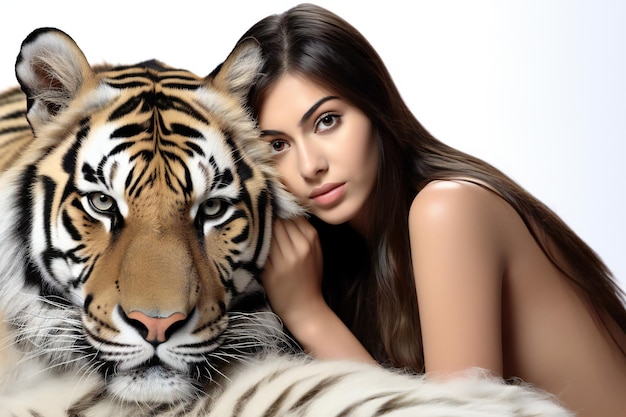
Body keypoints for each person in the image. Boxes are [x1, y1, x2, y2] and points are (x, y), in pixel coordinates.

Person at [232, 4, 626, 416]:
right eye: (277, 145)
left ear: (374, 108)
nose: (310, 165)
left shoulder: (447, 209)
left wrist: (308, 313)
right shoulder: (345, 258)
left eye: (327, 121)